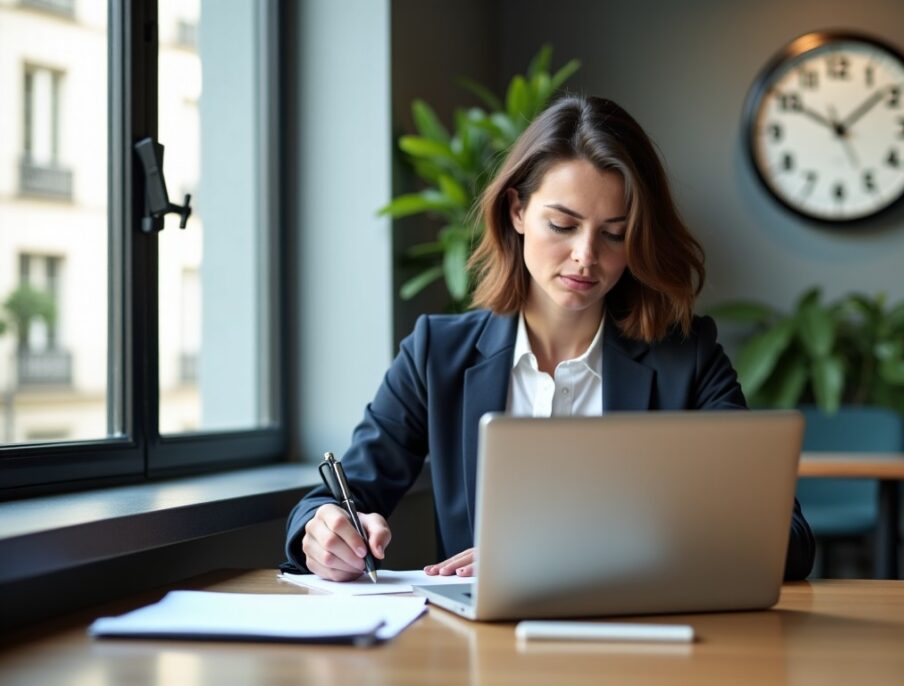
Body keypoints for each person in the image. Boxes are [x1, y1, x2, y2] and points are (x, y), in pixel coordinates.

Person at [284, 94, 815, 582]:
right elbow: (334, 499)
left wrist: (589, 549)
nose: (587, 255)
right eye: (562, 224)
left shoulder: (687, 357)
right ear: (517, 211)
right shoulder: (435, 354)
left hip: (638, 645)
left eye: (615, 233)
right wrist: (323, 530)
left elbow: (785, 539)